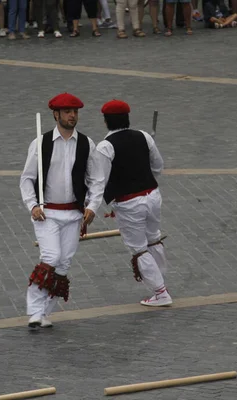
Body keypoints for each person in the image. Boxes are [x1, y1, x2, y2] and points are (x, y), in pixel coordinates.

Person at [19, 93, 105, 329]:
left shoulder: (87, 144)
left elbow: (97, 180)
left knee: (64, 263)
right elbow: (27, 179)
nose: (72, 115)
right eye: (67, 111)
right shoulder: (40, 143)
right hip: (47, 213)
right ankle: (34, 311)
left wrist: (92, 206)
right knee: (51, 257)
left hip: (74, 214)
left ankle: (46, 311)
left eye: (75, 111)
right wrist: (33, 205)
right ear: (55, 114)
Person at [94, 100, 173, 307]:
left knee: (138, 248)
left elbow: (100, 181)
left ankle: (161, 292)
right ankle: (160, 279)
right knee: (153, 238)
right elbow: (158, 166)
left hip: (129, 203)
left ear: (105, 121)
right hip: (153, 195)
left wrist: (94, 206)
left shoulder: (105, 146)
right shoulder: (144, 136)